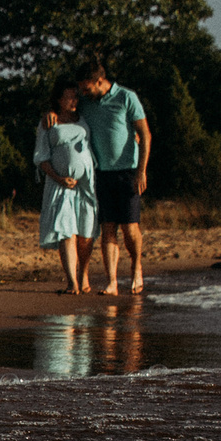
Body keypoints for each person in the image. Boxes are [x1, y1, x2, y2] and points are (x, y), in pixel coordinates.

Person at [77, 61, 152, 294]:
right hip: (102, 172)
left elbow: (145, 134)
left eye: (87, 88)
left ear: (100, 81)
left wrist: (142, 170)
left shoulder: (127, 97)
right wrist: (50, 113)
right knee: (108, 228)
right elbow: (65, 110)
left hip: (128, 171)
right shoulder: (86, 103)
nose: (83, 93)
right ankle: (112, 282)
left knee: (130, 229)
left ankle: (136, 265)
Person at [33, 80, 97, 293]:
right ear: (59, 99)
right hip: (61, 184)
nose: (74, 101)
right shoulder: (49, 122)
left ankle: (84, 276)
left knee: (86, 231)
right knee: (66, 231)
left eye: (76, 97)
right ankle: (72, 282)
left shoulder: (83, 118)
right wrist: (59, 178)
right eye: (69, 97)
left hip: (85, 184)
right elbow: (41, 157)